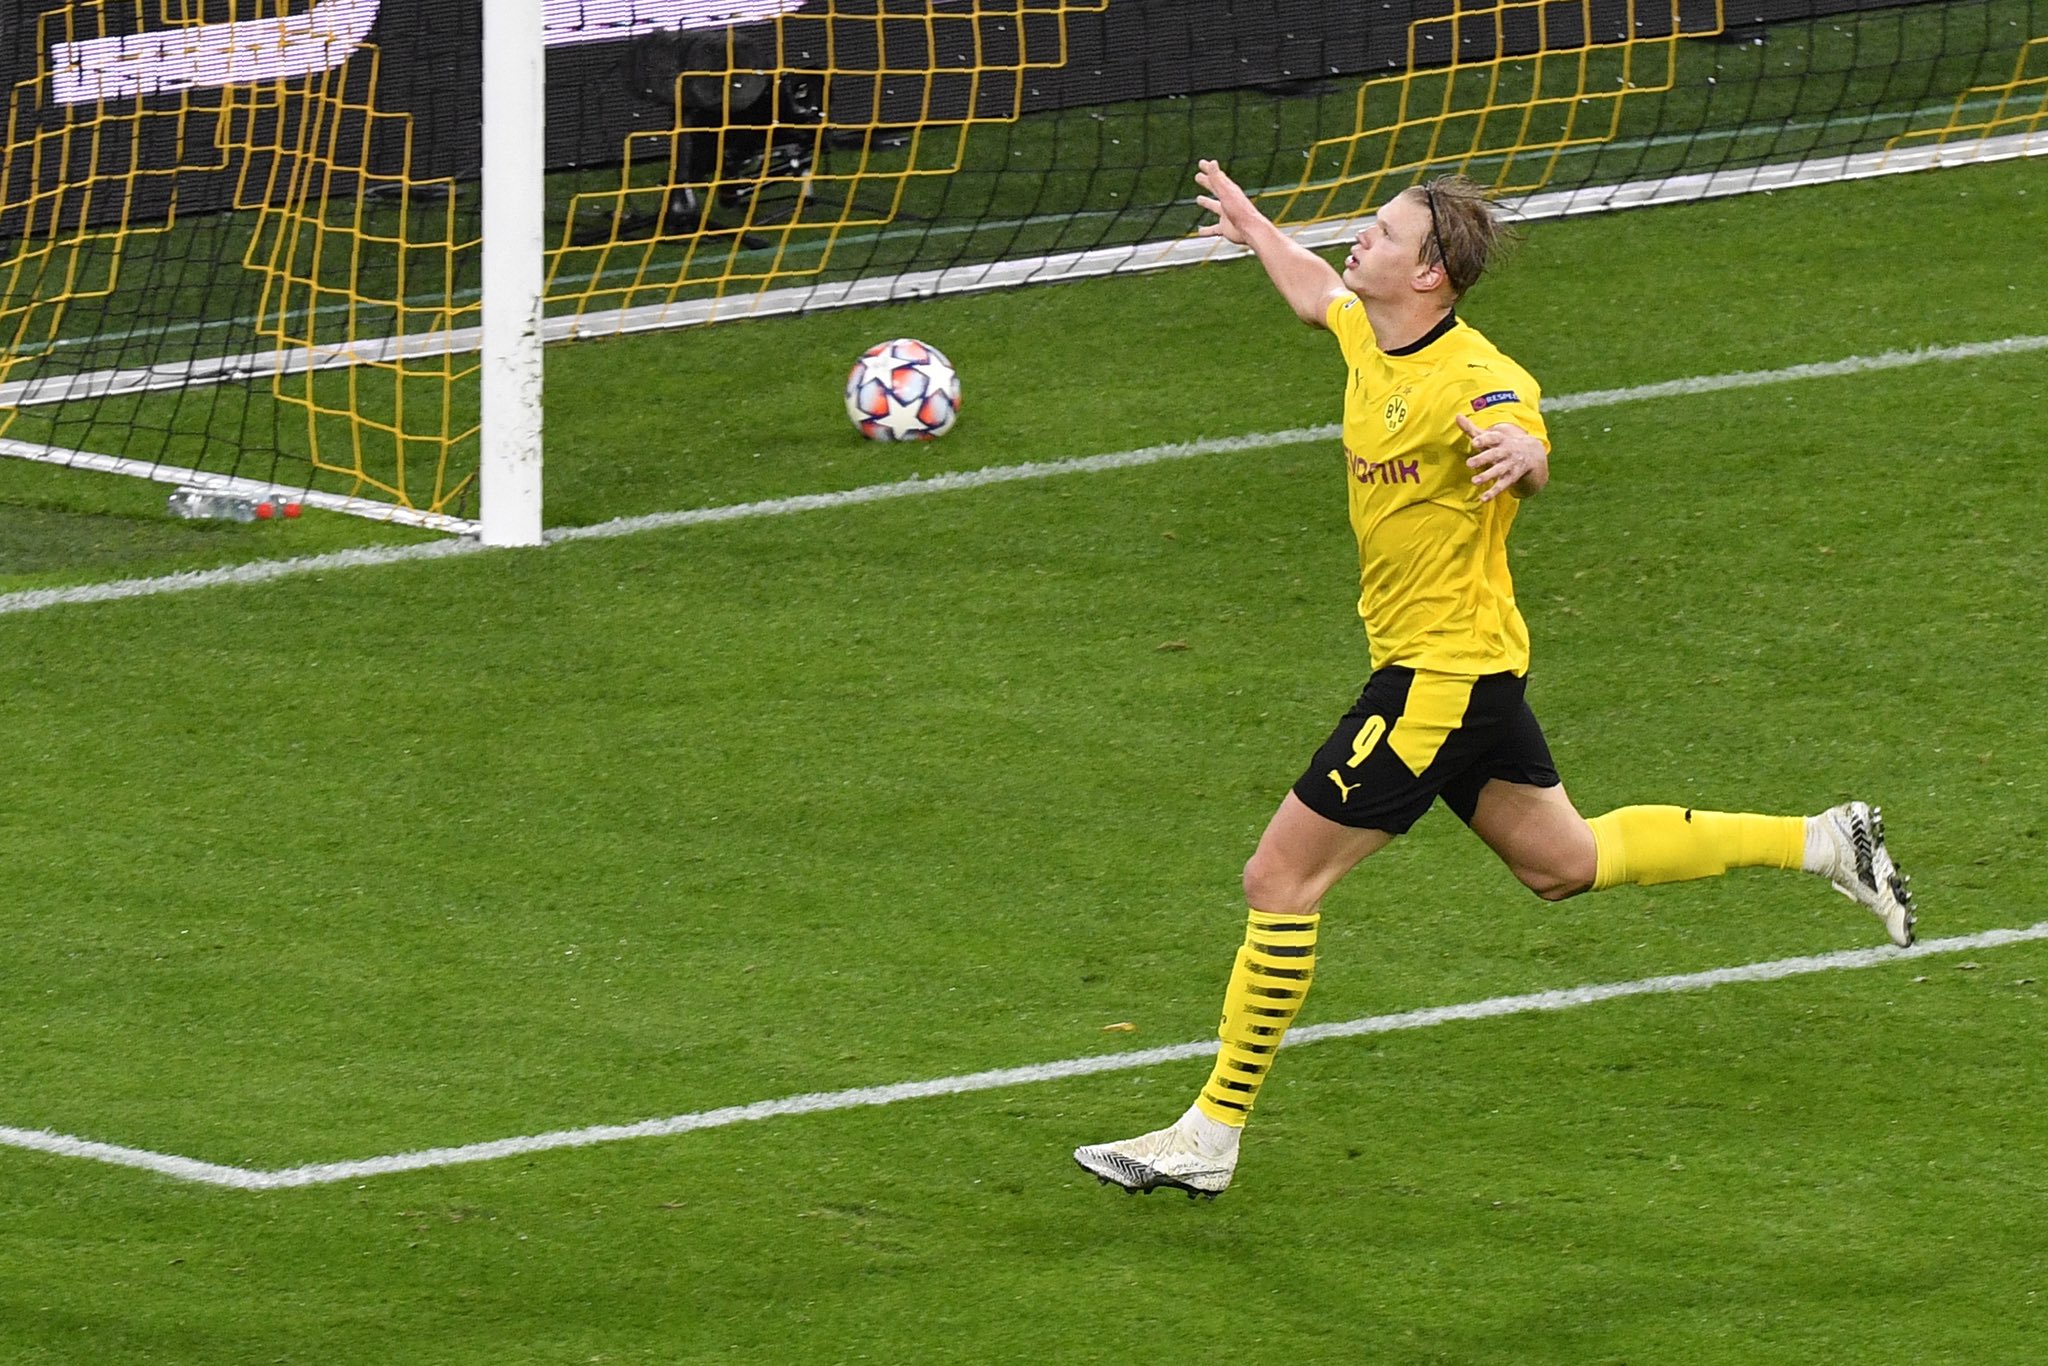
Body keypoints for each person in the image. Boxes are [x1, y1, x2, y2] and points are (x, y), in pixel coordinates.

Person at [1071, 161, 1916, 1201]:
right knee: (1562, 863)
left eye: (1383, 233)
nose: (1361, 239)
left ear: (1428, 275)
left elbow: (1520, 428)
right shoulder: (1368, 334)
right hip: (1469, 666)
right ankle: (1826, 840)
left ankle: (1210, 1132)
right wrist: (1255, 229)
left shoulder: (1475, 374)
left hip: (1439, 676)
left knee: (1277, 881)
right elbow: (1315, 293)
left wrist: (1523, 456)